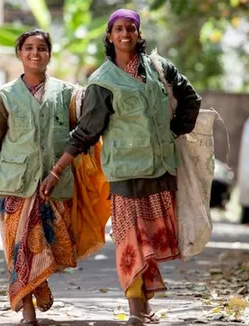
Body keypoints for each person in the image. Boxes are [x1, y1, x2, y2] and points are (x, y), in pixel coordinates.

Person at [39, 9, 202, 326]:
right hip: (125, 173)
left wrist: (174, 130)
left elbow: (190, 97)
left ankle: (145, 306)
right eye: (118, 29)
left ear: (139, 34)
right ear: (110, 36)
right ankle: (134, 311)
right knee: (131, 242)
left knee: (151, 242)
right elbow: (87, 131)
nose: (125, 33)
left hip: (161, 169)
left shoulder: (158, 67)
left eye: (130, 28)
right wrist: (58, 169)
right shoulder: (102, 81)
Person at [0, 29, 77, 326]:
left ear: (49, 53)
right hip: (15, 187)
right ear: (19, 54)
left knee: (46, 249)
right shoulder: (5, 97)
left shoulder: (66, 94)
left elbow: (83, 136)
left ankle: (38, 290)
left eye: (42, 48)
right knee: (20, 251)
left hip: (53, 188)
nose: (35, 53)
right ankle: (28, 313)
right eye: (29, 48)